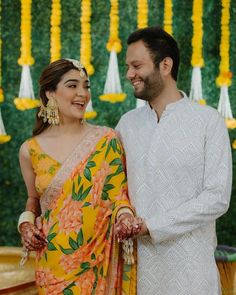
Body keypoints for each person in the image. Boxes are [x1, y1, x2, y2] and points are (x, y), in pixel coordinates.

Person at [115, 26, 232, 294]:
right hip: (138, 274)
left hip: (192, 273)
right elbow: (115, 189)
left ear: (165, 65)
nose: (129, 74)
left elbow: (216, 197)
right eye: (128, 67)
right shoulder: (126, 125)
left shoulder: (208, 121)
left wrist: (152, 226)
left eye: (136, 65)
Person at [17, 58, 137, 294]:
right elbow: (34, 201)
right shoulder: (30, 150)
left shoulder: (106, 140)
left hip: (99, 259)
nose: (82, 93)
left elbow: (119, 196)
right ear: (50, 93)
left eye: (86, 86)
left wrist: (125, 218)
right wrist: (25, 226)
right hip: (52, 265)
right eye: (72, 85)